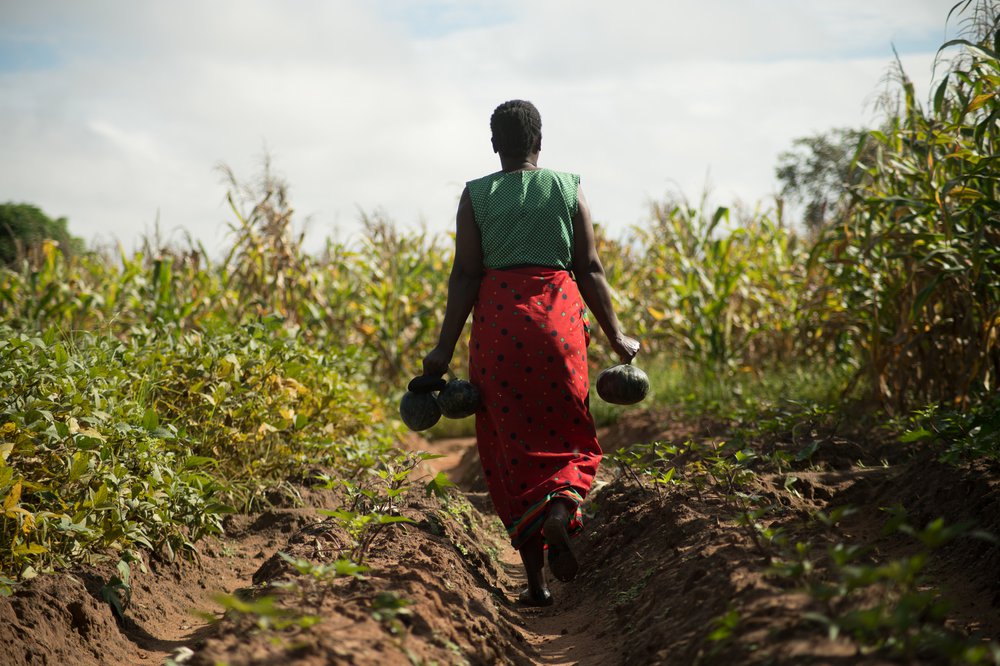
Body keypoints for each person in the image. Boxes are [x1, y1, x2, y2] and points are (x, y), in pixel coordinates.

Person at [422, 99, 639, 607]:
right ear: (539, 141)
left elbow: (466, 276)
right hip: (558, 324)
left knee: (509, 444)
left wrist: (441, 350)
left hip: (500, 328)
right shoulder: (568, 188)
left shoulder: (476, 196)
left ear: (495, 143)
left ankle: (536, 583)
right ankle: (561, 508)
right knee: (567, 430)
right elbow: (588, 266)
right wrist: (617, 337)